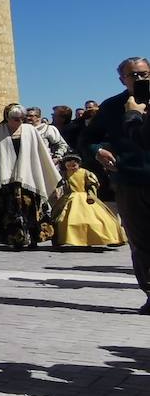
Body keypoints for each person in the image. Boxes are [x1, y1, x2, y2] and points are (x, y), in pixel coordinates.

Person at [84, 56, 150, 310]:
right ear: (122, 79)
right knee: (141, 242)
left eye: (144, 74)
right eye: (133, 75)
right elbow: (90, 138)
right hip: (130, 181)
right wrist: (98, 150)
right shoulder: (112, 106)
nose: (140, 79)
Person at [0, 102, 60, 251]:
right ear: (7, 117)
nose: (19, 121)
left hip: (28, 175)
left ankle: (34, 238)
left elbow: (40, 153)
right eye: (15, 118)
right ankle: (15, 239)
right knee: (10, 210)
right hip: (5, 177)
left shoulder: (30, 130)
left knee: (30, 207)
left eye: (22, 118)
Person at [52, 154, 125, 248]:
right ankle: (65, 239)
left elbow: (92, 185)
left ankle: (105, 238)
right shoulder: (64, 174)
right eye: (69, 165)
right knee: (61, 219)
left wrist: (91, 195)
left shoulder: (85, 173)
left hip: (84, 197)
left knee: (98, 219)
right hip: (69, 198)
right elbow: (59, 184)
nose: (71, 167)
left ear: (78, 164)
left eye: (74, 165)